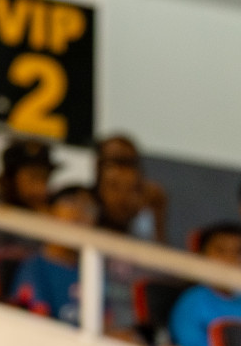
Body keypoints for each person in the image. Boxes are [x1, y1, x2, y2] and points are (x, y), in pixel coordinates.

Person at [9, 186, 98, 324]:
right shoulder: (34, 269)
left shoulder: (94, 271)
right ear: (51, 214)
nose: (79, 213)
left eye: (89, 208)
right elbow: (36, 328)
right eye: (70, 203)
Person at [168, 222, 241, 346]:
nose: (229, 259)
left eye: (239, 252)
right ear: (202, 256)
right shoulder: (191, 302)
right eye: (220, 250)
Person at [93, 134, 167, 243]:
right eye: (114, 161)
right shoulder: (83, 201)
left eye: (128, 163)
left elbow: (159, 248)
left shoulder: (150, 200)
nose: (121, 171)